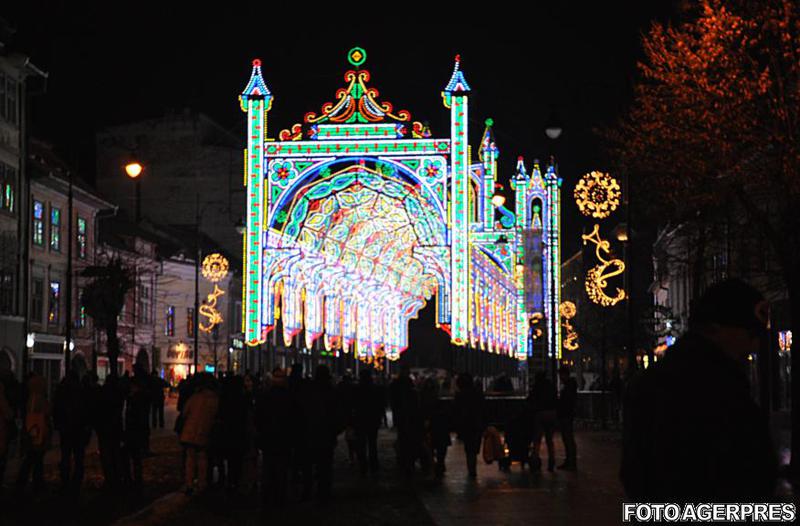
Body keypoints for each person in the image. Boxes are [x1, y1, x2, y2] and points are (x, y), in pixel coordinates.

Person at [621, 279, 777, 501]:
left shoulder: (658, 381)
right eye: (749, 334)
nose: (753, 346)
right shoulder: (716, 388)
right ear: (718, 328)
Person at [299, 365, 342, 501]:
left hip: (309, 433)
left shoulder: (308, 391)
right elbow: (336, 414)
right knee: (325, 466)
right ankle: (324, 492)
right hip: (326, 435)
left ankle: (307, 490)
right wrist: (334, 431)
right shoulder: (331, 392)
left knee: (308, 465)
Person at [255, 368, 294, 507]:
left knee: (269, 468)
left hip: (269, 437)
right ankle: (280, 495)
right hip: (283, 438)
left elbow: (258, 417)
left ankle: (268, 496)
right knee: (281, 469)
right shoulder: (289, 397)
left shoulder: (265, 397)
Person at [179, 373, 220, 495]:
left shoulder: (195, 397)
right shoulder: (215, 399)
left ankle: (189, 483)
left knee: (190, 459)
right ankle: (202, 483)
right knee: (202, 458)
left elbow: (185, 412)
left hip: (190, 431)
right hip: (204, 431)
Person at [53, 370, 91, 494]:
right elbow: (85, 411)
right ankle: (76, 481)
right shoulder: (81, 391)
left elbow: (56, 409)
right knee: (79, 457)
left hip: (66, 428)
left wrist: (58, 424)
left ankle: (65, 480)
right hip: (78, 428)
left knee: (66, 455)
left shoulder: (61, 390)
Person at [15, 373, 51, 494]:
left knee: (32, 458)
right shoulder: (38, 398)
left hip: (34, 432)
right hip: (38, 432)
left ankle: (28, 482)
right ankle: (35, 483)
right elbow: (44, 413)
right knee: (35, 458)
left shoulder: (31, 397)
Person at [122, 368, 152, 493]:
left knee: (132, 456)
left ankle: (132, 480)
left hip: (133, 432)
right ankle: (134, 479)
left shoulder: (136, 399)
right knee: (134, 457)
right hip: (135, 432)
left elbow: (135, 416)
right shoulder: (139, 397)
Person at [353, 369, 385, 475]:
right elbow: (381, 405)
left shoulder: (357, 389)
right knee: (372, 444)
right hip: (372, 419)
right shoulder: (376, 389)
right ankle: (374, 465)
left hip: (360, 419)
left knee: (361, 444)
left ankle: (363, 466)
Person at [453, 373, 485, 478]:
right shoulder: (478, 394)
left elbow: (456, 411)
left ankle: (471, 469)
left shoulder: (459, 395)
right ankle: (472, 468)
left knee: (469, 448)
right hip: (477, 423)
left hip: (466, 424)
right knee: (473, 448)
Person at [420, 377, 451, 478]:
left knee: (430, 446)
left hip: (430, 425)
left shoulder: (422, 398)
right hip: (439, 425)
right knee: (440, 447)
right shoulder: (441, 398)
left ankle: (432, 464)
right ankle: (439, 464)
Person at [529, 371, 557, 471]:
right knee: (550, 440)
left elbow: (531, 399)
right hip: (551, 413)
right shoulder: (550, 386)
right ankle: (551, 461)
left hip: (540, 413)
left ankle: (535, 460)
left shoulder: (537, 387)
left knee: (537, 439)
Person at [557, 365, 578, 471]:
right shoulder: (570, 385)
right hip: (567, 413)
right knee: (568, 438)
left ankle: (571, 461)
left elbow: (566, 401)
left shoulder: (568, 386)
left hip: (566, 414)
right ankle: (570, 460)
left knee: (568, 438)